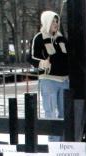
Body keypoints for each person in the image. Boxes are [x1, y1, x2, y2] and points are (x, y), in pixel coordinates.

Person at [31, 10, 69, 142]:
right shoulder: (39, 38)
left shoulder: (61, 39)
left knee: (65, 113)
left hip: (64, 81)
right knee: (51, 113)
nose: (56, 24)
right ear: (46, 22)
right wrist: (41, 62)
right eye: (53, 21)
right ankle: (54, 144)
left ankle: (64, 144)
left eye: (57, 21)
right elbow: (31, 57)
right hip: (48, 81)